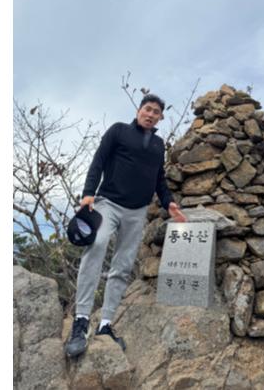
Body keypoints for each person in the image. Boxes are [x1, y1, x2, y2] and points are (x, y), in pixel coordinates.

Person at [65, 94, 187, 357]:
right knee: (97, 245)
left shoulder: (158, 145)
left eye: (156, 112)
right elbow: (98, 160)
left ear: (160, 118)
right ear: (139, 110)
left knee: (123, 265)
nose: (150, 114)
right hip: (108, 203)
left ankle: (106, 324)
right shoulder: (119, 131)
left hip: (137, 210)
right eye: (147, 109)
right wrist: (88, 193)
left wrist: (169, 202)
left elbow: (159, 178)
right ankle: (81, 320)